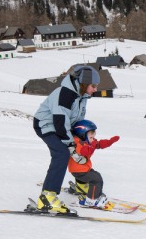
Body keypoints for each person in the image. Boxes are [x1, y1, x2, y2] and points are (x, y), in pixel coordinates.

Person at [33, 65, 100, 214]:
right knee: (62, 153)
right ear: (83, 83)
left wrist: (81, 139)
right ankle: (47, 198)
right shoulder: (65, 94)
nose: (95, 89)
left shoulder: (82, 96)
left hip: (63, 126)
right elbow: (60, 122)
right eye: (93, 86)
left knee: (80, 148)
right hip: (46, 125)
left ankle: (81, 184)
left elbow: (75, 120)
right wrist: (70, 145)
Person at [68, 119, 120, 209]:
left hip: (83, 168)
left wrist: (110, 142)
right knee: (96, 179)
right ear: (82, 134)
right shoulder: (77, 142)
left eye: (93, 137)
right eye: (91, 137)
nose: (93, 139)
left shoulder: (87, 141)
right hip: (78, 170)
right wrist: (93, 145)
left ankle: (94, 194)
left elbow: (98, 144)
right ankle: (91, 200)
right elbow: (84, 151)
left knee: (96, 176)